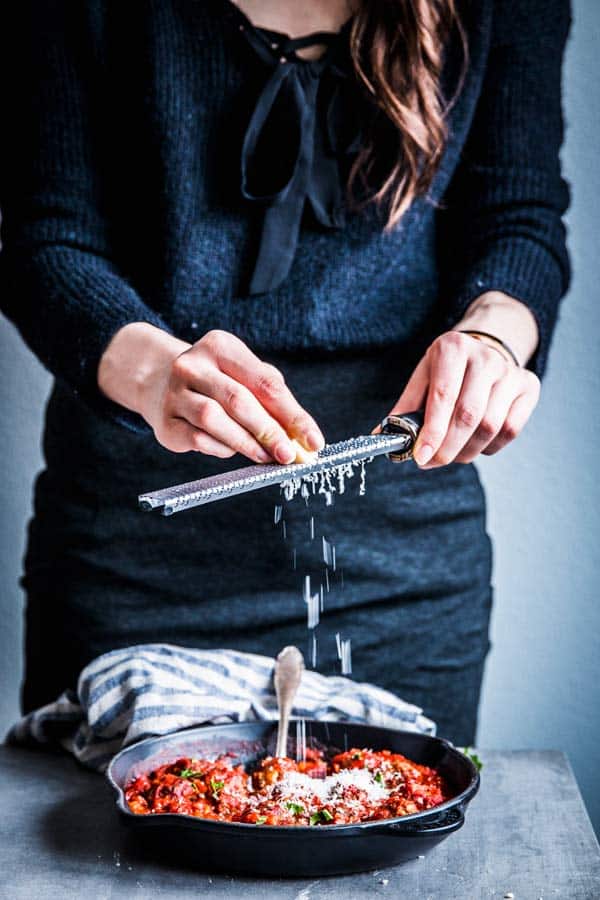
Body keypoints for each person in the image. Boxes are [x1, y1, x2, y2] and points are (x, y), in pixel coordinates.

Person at [0, 0, 570, 745]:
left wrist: (491, 340)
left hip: (401, 573)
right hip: (133, 565)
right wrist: (158, 374)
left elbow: (519, 217)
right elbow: (48, 238)